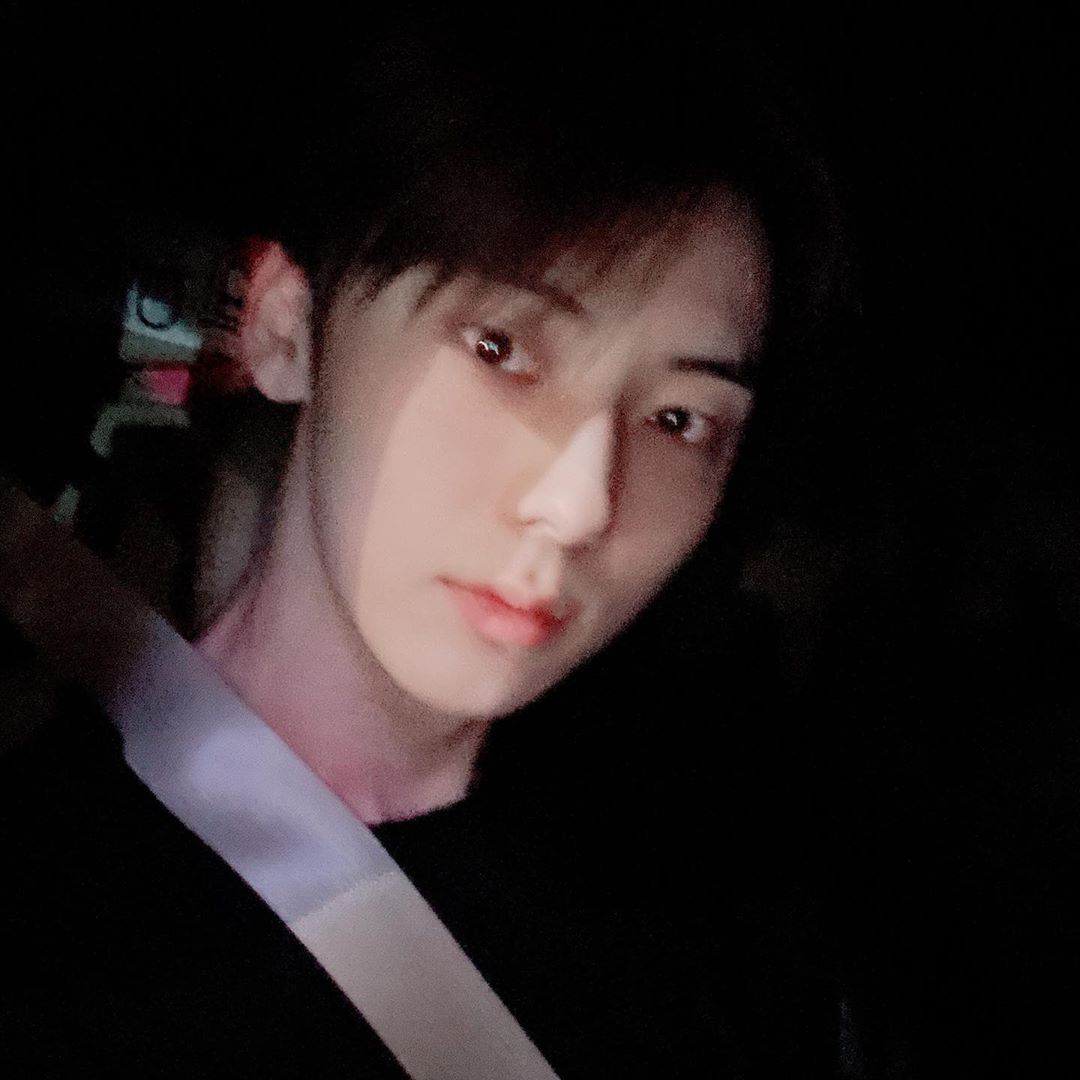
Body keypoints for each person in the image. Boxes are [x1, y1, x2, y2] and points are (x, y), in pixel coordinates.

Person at [1, 18, 851, 1078]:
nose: (579, 503)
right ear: (288, 331)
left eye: (680, 420)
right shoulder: (52, 935)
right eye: (502, 348)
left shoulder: (718, 905)